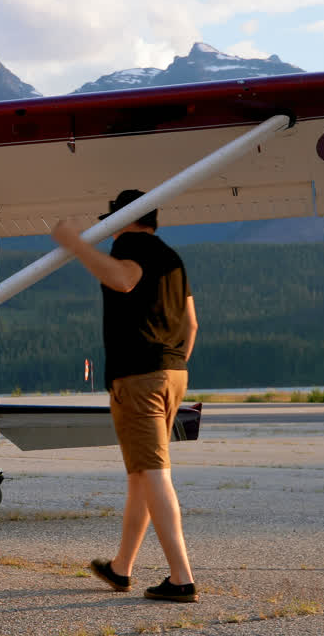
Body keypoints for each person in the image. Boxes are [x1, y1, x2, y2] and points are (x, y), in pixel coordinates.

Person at [50, 188, 199, 603]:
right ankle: (121, 568)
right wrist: (171, 364)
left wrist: (75, 244)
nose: (111, 231)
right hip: (173, 373)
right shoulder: (172, 257)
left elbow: (122, 279)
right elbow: (191, 324)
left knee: (153, 473)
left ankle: (182, 578)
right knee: (141, 475)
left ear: (127, 220)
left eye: (113, 222)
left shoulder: (130, 247)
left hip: (139, 376)